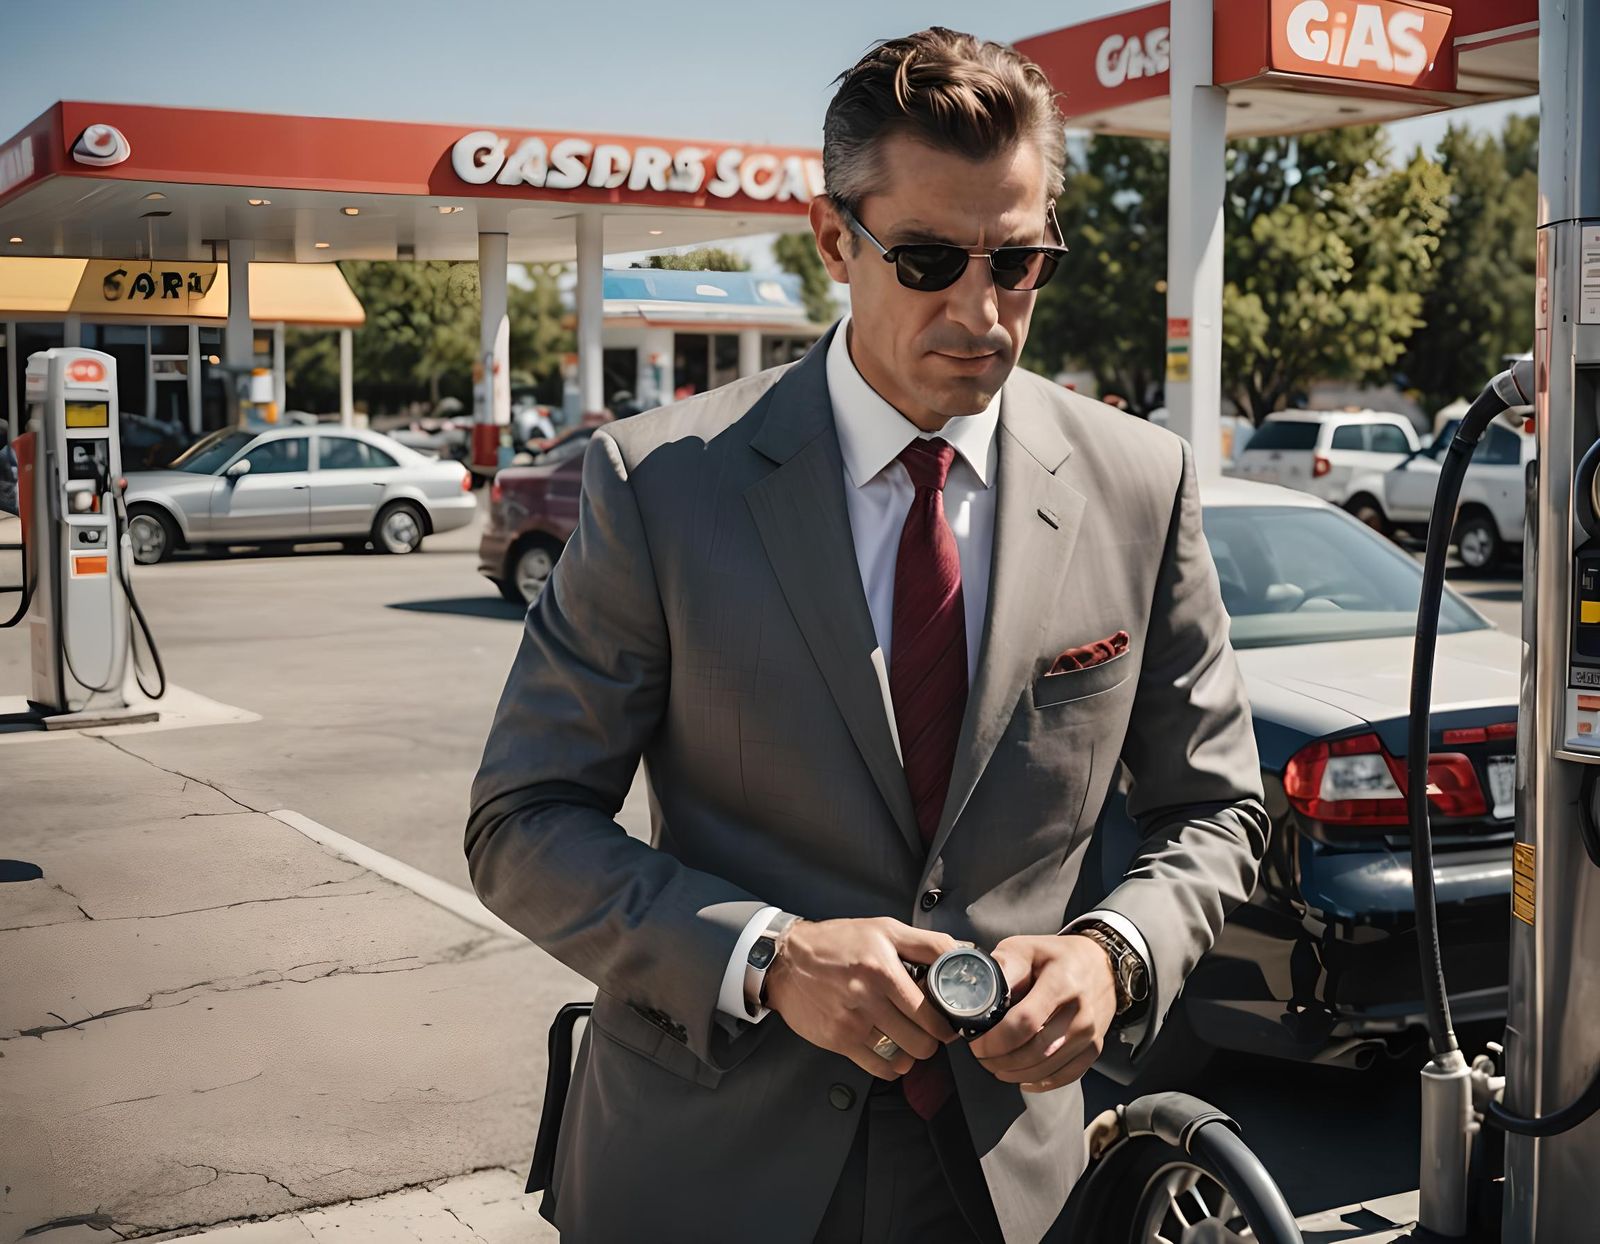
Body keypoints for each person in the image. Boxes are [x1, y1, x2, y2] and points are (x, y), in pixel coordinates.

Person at [467, 27, 1267, 1244]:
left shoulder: (1138, 484)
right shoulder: (660, 483)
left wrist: (1116, 952)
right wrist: (766, 957)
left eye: (1019, 262)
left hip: (1010, 1183)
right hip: (706, 1172)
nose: (982, 310)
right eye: (932, 258)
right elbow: (521, 821)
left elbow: (1217, 808)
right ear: (834, 237)